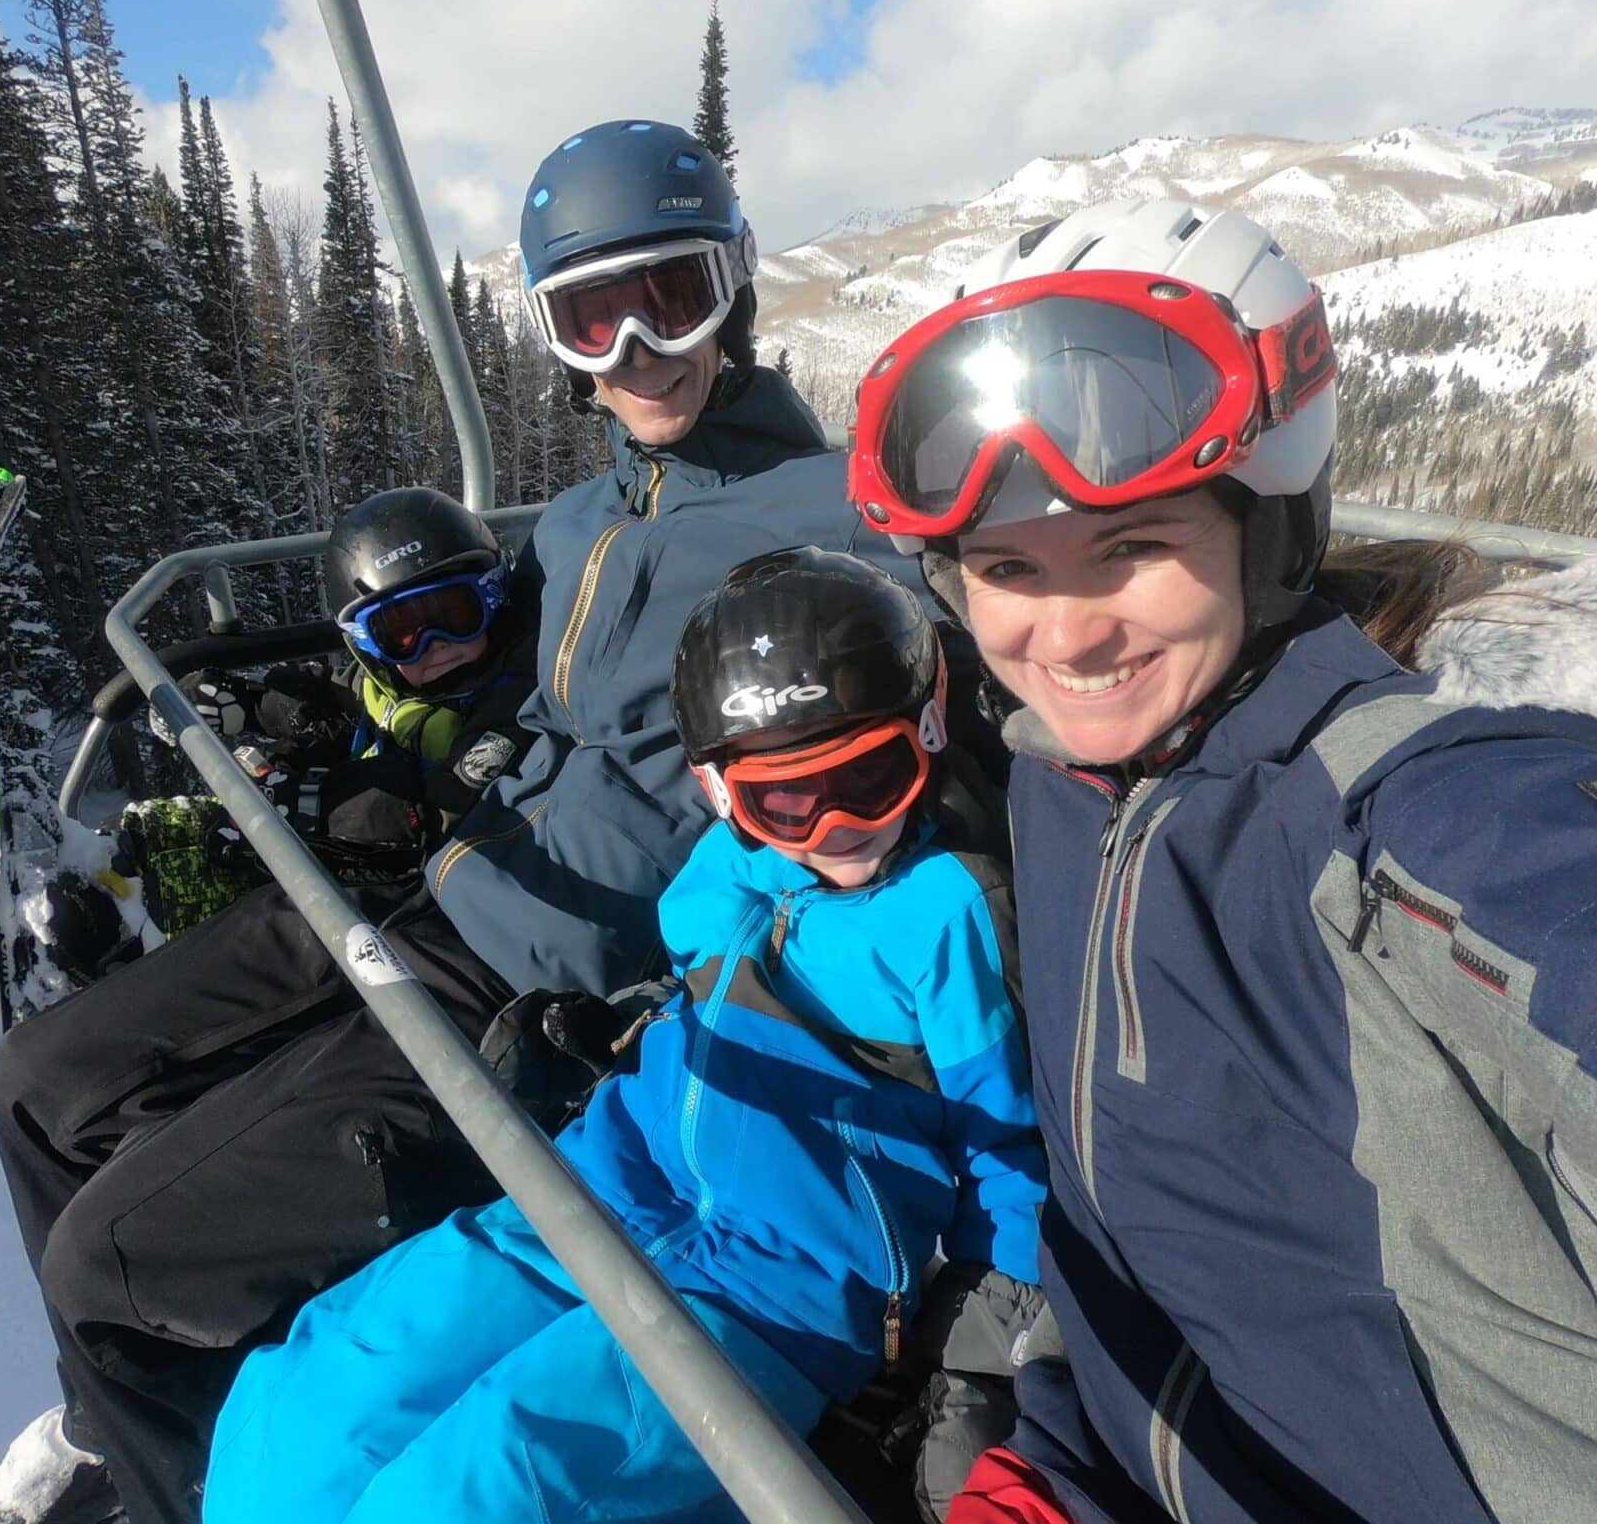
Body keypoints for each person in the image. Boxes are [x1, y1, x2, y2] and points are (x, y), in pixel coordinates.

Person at [0, 121, 896, 1524]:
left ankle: (186, 1474)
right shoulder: (587, 518)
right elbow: (481, 670)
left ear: (736, 289)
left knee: (111, 1264)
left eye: (675, 297)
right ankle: (133, 1421)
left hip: (547, 981)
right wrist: (383, 759)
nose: (639, 351)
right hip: (443, 898)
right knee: (40, 1088)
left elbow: (742, 788)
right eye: (595, 316)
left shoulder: (826, 522)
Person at [845, 198, 1597, 1523]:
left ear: (1264, 531)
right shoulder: (1056, 780)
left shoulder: (1412, 819)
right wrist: (1061, 1445)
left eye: (1132, 547)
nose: (1067, 636)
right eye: (1006, 567)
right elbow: (1115, 1208)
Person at [198, 548, 1047, 1523]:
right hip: (600, 1189)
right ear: (721, 791)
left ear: (927, 732)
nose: (834, 831)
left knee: (473, 1492)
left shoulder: (946, 914)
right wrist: (622, 1028)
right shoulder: (727, 869)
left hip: (772, 1290)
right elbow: (712, 984)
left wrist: (987, 1365)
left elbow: (1012, 1149)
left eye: (872, 777)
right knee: (308, 1408)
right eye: (785, 801)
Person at [40, 487, 538, 984]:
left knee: (214, 872)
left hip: (421, 880)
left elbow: (444, 801)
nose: (436, 646)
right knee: (173, 831)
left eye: (456, 615)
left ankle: (133, 958)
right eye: (402, 632)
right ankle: (93, 876)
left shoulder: (519, 695)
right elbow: (337, 696)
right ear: (367, 642)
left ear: (494, 597)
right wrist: (252, 703)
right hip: (362, 844)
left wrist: (314, 804)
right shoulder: (387, 680)